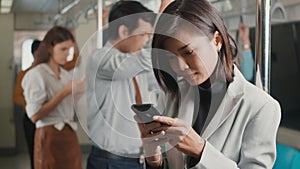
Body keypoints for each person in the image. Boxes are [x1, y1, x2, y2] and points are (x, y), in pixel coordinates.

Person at [135, 0, 281, 168]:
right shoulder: (172, 96)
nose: (180, 66)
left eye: (188, 52)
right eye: (170, 57)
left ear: (217, 40)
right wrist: (154, 159)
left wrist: (201, 151)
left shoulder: (261, 107)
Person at [85, 1, 156, 169]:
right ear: (124, 31)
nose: (147, 40)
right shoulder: (100, 59)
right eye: (145, 34)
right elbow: (144, 59)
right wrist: (164, 35)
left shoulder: (135, 65)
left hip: (138, 160)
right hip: (110, 162)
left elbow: (158, 83)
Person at [22, 26, 85, 169]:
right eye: (63, 49)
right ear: (50, 48)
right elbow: (35, 115)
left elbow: (67, 107)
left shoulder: (66, 75)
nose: (67, 54)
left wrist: (78, 93)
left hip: (69, 134)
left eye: (69, 49)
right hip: (49, 136)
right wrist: (64, 92)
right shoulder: (36, 75)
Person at [13, 39, 41, 169]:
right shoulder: (24, 75)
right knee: (33, 152)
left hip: (46, 118)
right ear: (35, 53)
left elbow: (74, 63)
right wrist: (32, 105)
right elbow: (16, 97)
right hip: (30, 119)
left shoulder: (49, 73)